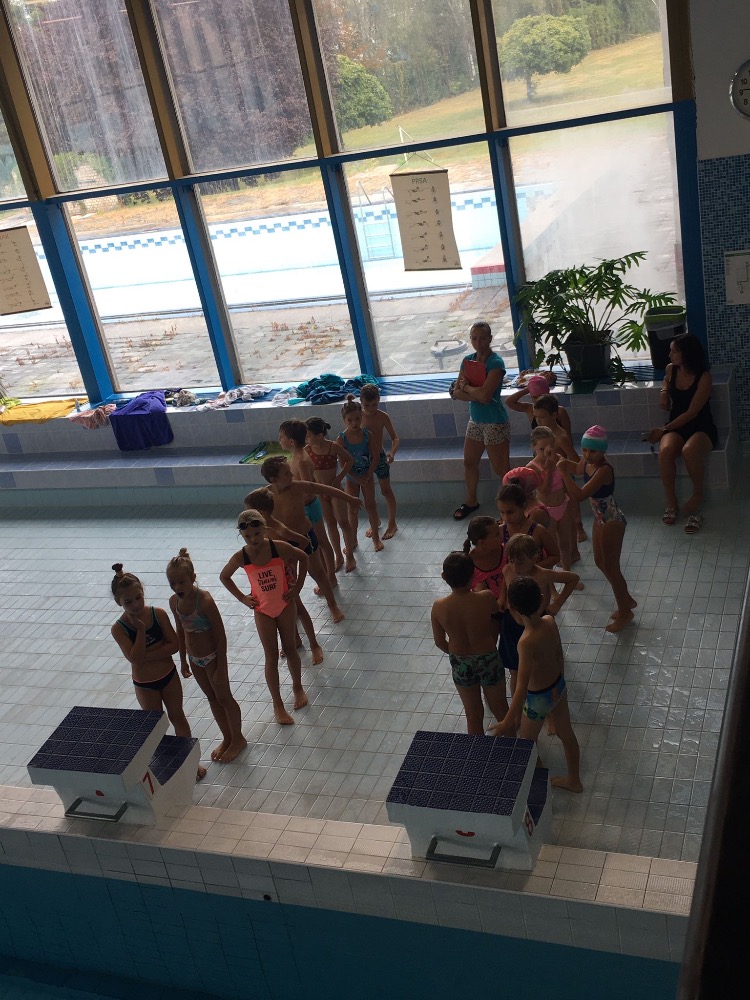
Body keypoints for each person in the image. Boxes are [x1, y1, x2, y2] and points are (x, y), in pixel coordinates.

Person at [110, 563, 206, 781]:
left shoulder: (158, 614)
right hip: (145, 686)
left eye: (138, 598)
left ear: (143, 592)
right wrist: (141, 631)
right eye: (128, 602)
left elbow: (174, 646)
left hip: (168, 677)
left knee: (178, 716)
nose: (136, 604)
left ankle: (190, 763)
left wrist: (145, 655)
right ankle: (165, 768)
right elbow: (134, 658)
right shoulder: (119, 629)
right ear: (118, 602)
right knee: (155, 728)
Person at [489, 576, 582, 793]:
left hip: (538, 698)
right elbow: (559, 655)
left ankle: (540, 787)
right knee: (567, 734)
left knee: (527, 744)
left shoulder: (525, 642)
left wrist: (507, 721)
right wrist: (561, 681)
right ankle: (574, 780)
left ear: (512, 607)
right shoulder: (549, 621)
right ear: (541, 598)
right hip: (558, 686)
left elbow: (521, 687)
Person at [219, 510, 308, 725]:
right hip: (263, 611)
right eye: (248, 536)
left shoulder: (278, 547)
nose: (253, 539)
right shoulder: (241, 556)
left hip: (285, 606)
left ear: (265, 529)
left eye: (257, 534)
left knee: (290, 649)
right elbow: (224, 576)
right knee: (271, 657)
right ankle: (277, 704)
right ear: (241, 535)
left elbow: (304, 557)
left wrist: (297, 587)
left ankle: (298, 688)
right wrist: (242, 598)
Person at [167, 548, 246, 763]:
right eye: (173, 583)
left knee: (224, 698)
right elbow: (180, 631)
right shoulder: (174, 602)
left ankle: (238, 739)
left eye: (181, 582)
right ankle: (227, 737)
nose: (177, 587)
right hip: (195, 659)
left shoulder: (205, 601)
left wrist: (221, 667)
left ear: (193, 578)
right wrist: (183, 660)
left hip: (213, 657)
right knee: (212, 698)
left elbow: (221, 636)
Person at [260, 455, 361, 622]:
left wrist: (350, 499)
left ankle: (333, 606)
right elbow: (256, 516)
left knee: (318, 573)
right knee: (287, 579)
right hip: (284, 543)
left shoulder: (297, 487)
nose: (292, 475)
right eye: (286, 473)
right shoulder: (265, 496)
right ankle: (294, 611)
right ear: (273, 479)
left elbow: (323, 489)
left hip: (305, 537)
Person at [558, 425, 637, 633]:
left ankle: (625, 613)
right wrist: (564, 463)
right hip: (599, 518)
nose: (587, 454)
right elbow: (577, 469)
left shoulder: (604, 470)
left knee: (611, 567)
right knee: (600, 562)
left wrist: (563, 473)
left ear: (603, 450)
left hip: (611, 520)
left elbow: (580, 495)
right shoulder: (587, 462)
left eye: (592, 451)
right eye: (584, 449)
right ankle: (626, 599)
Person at [244, 487, 325, 665]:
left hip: (285, 578)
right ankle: (294, 639)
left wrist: (290, 560)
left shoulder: (278, 528)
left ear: (260, 513)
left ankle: (314, 644)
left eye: (249, 512)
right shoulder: (259, 531)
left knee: (298, 608)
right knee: (282, 610)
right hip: (272, 579)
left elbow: (304, 541)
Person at [646, 333, 717, 534]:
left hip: (701, 427)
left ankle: (698, 494)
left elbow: (692, 412)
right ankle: (671, 503)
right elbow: (666, 380)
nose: (669, 355)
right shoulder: (672, 369)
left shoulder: (704, 377)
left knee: (689, 450)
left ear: (687, 354)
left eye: (674, 351)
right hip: (676, 426)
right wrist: (663, 392)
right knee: (666, 450)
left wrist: (664, 429)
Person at [431, 551, 508, 734]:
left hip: (461, 661)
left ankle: (478, 752)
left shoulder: (439, 607)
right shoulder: (485, 597)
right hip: (488, 658)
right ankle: (513, 748)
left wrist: (456, 653)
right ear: (473, 575)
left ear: (444, 577)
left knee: (473, 713)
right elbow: (495, 610)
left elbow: (439, 641)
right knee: (501, 710)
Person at [450, 321, 510, 520]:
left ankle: (511, 507)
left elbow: (485, 396)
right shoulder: (467, 361)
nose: (478, 342)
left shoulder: (496, 363)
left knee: (501, 469)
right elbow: (456, 393)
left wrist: (467, 388)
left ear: (490, 339)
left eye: (483, 338)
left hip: (495, 421)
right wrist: (472, 391)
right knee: (469, 463)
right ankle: (471, 501)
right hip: (475, 420)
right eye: (474, 338)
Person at [278, 419, 337, 585]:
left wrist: (295, 504)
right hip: (305, 507)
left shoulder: (302, 460)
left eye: (281, 437)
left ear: (291, 441)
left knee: (322, 542)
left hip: (310, 507)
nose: (278, 440)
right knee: (316, 544)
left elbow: (309, 490)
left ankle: (331, 577)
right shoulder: (295, 457)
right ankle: (325, 575)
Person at [304, 416, 357, 572]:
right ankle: (338, 556)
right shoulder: (307, 450)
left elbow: (349, 460)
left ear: (320, 435)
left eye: (308, 436)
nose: (306, 439)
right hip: (321, 493)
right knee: (331, 524)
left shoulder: (333, 447)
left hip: (335, 491)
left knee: (343, 522)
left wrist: (339, 478)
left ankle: (350, 555)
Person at [527, 426, 578, 572]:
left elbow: (566, 481)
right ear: (533, 447)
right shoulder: (532, 468)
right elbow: (544, 491)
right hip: (547, 511)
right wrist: (549, 469)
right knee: (550, 549)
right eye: (541, 449)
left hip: (563, 505)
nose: (546, 453)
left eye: (549, 448)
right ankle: (551, 582)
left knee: (565, 544)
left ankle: (567, 574)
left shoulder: (558, 459)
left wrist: (571, 503)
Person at [338, 394, 383, 552]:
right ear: (344, 420)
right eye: (350, 420)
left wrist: (369, 474)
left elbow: (375, 456)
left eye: (357, 419)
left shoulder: (367, 435)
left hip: (367, 476)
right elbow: (342, 463)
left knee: (371, 505)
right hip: (352, 478)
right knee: (352, 509)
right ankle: (353, 539)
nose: (354, 423)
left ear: (361, 417)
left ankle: (376, 538)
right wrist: (356, 478)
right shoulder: (342, 439)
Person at [360, 383, 400, 540]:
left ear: (379, 400)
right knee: (368, 495)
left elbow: (395, 438)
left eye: (374, 405)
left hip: (380, 458)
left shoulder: (383, 416)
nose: (371, 409)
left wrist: (392, 452)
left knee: (386, 490)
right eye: (367, 405)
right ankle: (374, 521)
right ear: (361, 402)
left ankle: (392, 523)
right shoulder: (358, 417)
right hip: (364, 460)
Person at [496, 483, 559, 570]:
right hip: (513, 577)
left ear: (524, 506)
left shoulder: (538, 530)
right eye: (502, 512)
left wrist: (532, 568)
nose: (506, 518)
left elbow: (555, 556)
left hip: (536, 577)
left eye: (510, 512)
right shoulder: (500, 530)